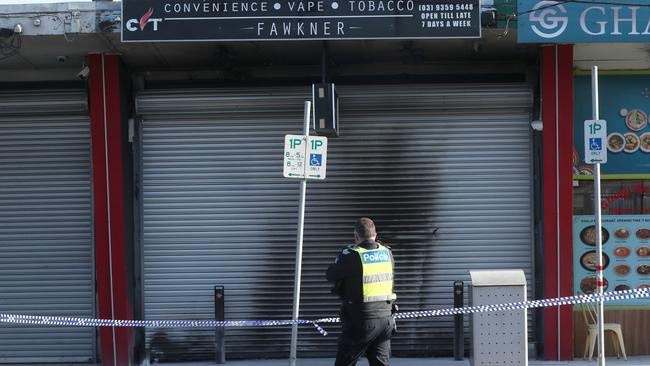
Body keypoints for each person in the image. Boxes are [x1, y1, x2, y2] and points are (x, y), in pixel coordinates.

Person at [326, 217, 397, 366]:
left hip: (360, 321)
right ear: (375, 234)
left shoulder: (352, 255)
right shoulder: (387, 253)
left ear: (356, 236)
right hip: (386, 321)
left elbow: (331, 275)